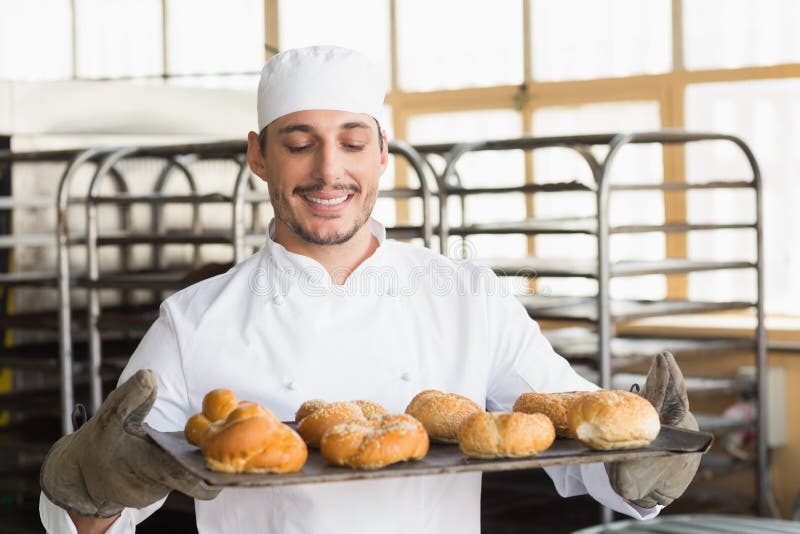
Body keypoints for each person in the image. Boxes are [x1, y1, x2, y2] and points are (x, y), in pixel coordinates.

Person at [39, 46, 700, 534]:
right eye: (300, 144)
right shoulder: (194, 321)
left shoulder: (467, 296)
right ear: (259, 155)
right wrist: (92, 482)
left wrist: (647, 466)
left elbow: (578, 439)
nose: (329, 170)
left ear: (382, 155)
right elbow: (89, 524)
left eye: (352, 143)